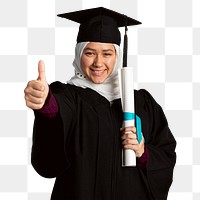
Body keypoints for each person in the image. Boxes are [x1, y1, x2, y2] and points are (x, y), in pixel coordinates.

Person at [24, 7, 176, 200]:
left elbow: (166, 153)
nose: (98, 62)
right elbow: (56, 111)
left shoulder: (142, 102)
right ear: (79, 54)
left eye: (107, 54)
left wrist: (142, 152)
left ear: (117, 56)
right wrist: (45, 104)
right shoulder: (69, 96)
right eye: (89, 53)